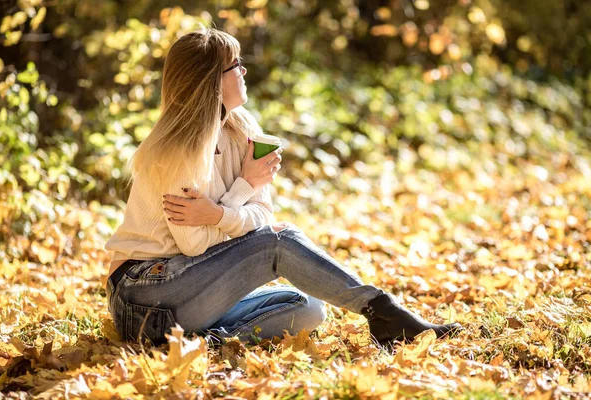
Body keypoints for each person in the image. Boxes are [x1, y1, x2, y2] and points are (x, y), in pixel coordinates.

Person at [104, 26, 462, 348]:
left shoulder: (242, 128)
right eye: (234, 65)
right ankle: (386, 313)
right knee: (277, 242)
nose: (243, 71)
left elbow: (262, 217)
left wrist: (218, 214)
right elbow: (196, 244)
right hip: (143, 297)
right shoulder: (176, 149)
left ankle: (205, 344)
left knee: (308, 307)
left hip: (187, 299)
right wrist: (243, 189)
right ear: (210, 80)